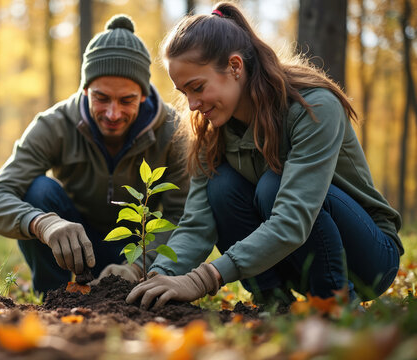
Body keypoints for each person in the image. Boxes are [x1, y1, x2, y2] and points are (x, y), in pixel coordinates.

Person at [126, 2, 403, 310]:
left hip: (368, 258)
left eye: (197, 87)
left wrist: (204, 278)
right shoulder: (211, 131)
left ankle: (333, 306)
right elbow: (196, 224)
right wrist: (159, 275)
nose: (191, 104)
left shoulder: (313, 107)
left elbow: (292, 218)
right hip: (294, 257)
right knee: (222, 187)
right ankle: (274, 303)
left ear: (234, 66)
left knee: (274, 185)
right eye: (184, 93)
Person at [0, 14, 189, 293]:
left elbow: (181, 215)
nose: (113, 113)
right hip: (72, 249)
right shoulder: (55, 124)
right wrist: (43, 223)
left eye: (126, 100)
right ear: (85, 89)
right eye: (101, 98)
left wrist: (138, 267)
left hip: (136, 252)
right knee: (39, 191)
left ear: (144, 95)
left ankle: (125, 290)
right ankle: (57, 296)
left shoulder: (174, 131)